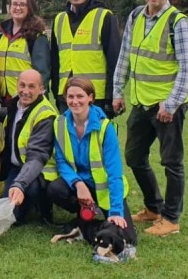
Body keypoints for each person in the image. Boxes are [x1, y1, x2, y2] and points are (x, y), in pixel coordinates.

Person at [112, 0, 188, 237]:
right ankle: (153, 207)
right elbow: (125, 55)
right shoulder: (136, 16)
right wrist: (117, 91)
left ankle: (171, 219)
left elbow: (187, 69)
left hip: (167, 107)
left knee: (172, 162)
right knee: (134, 157)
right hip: (140, 102)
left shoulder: (178, 22)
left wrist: (170, 105)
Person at [47, 77, 137, 246]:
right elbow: (61, 161)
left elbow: (115, 173)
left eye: (80, 96)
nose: (75, 102)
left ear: (91, 98)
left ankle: (85, 224)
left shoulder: (105, 127)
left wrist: (116, 210)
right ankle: (85, 217)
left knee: (128, 239)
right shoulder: (59, 123)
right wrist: (79, 185)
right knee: (54, 189)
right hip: (80, 186)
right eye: (70, 97)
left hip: (105, 190)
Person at [50, 0, 120, 114]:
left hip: (95, 96)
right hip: (66, 95)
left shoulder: (104, 16)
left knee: (95, 135)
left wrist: (111, 96)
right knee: (67, 135)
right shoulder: (59, 19)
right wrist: (57, 93)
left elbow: (114, 60)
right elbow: (55, 61)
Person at [0, 69, 57, 224]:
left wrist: (19, 184)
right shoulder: (16, 104)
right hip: (17, 167)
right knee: (6, 215)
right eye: (22, 85)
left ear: (41, 89)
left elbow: (37, 156)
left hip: (39, 171)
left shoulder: (45, 114)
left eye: (31, 87)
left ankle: (41, 204)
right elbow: (10, 114)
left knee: (16, 211)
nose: (25, 91)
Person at [0, 0, 50, 107]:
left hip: (27, 98)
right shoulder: (0, 34)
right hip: (3, 99)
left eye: (22, 5)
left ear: (30, 8)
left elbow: (42, 72)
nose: (18, 8)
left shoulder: (36, 36)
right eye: (14, 4)